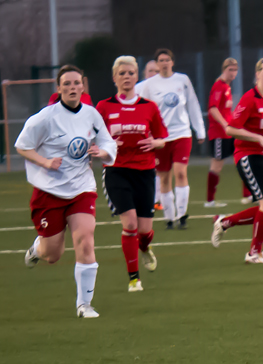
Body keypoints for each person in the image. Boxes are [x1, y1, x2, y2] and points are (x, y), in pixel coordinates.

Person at [16, 65, 116, 318]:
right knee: (53, 254)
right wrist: (46, 162)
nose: (72, 88)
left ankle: (84, 305)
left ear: (83, 87)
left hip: (82, 188)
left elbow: (106, 142)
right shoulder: (45, 117)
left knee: (85, 239)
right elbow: (22, 146)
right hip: (49, 191)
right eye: (67, 84)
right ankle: (38, 247)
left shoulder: (92, 115)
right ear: (58, 88)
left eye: (76, 83)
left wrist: (101, 152)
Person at [96, 56, 168, 292]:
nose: (127, 77)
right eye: (122, 73)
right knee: (130, 224)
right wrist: (102, 148)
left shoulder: (149, 106)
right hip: (116, 171)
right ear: (114, 77)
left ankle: (145, 248)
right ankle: (134, 279)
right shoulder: (104, 107)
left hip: (145, 172)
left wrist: (154, 143)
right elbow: (92, 137)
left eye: (131, 73)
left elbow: (162, 138)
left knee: (145, 231)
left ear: (137, 77)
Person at [210, 57, 263, 264]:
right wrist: (257, 137)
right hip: (248, 155)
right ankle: (254, 253)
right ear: (257, 74)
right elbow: (230, 128)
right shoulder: (249, 98)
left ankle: (225, 222)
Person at [138, 48, 206, 229]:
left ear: (172, 62)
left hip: (182, 134)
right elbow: (143, 108)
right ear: (157, 63)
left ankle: (182, 215)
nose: (164, 63)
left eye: (167, 59)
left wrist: (200, 130)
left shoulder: (182, 80)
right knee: (164, 178)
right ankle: (170, 218)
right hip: (161, 138)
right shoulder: (149, 85)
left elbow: (192, 103)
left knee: (181, 173)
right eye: (161, 60)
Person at [205, 57, 239, 208]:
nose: (233, 73)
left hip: (229, 133)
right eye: (230, 69)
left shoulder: (227, 87)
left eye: (235, 70)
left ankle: (248, 195)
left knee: (242, 157)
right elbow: (212, 108)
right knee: (217, 165)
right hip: (219, 133)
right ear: (223, 70)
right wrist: (225, 124)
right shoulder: (219, 86)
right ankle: (210, 200)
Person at [135, 60, 163, 211]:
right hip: (141, 135)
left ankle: (156, 200)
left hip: (158, 135)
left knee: (159, 168)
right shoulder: (137, 89)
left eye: (156, 71)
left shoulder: (164, 88)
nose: (153, 74)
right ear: (144, 73)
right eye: (151, 71)